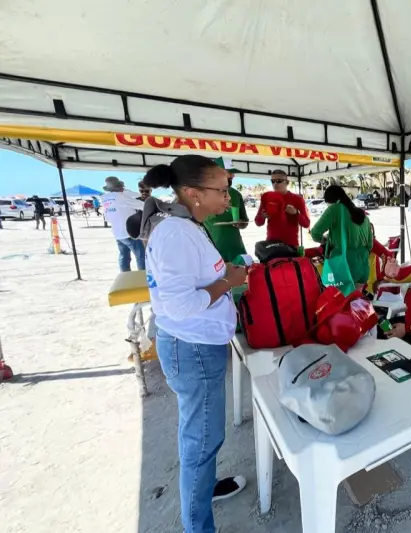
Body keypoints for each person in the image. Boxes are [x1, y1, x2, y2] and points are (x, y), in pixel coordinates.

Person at [138, 154, 248, 533]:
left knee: (201, 436)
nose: (227, 198)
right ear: (191, 193)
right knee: (201, 440)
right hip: (193, 349)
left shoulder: (189, 226)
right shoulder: (176, 233)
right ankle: (198, 526)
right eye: (220, 190)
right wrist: (229, 282)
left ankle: (202, 490)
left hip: (199, 345)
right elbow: (181, 305)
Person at [310, 185, 373, 289]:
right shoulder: (361, 213)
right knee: (356, 302)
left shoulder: (335, 209)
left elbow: (315, 233)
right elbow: (370, 244)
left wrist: (324, 240)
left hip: (344, 264)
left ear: (332, 201)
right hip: (363, 265)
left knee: (341, 303)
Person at [203, 158, 249, 262]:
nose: (233, 176)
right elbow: (199, 218)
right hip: (214, 250)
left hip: (236, 248)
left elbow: (245, 221)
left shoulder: (236, 194)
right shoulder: (204, 193)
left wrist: (241, 223)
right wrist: (219, 209)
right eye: (229, 172)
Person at [101, 177, 146, 272]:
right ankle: (143, 276)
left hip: (117, 233)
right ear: (120, 188)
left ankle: (124, 275)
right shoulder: (121, 197)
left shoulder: (105, 198)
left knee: (124, 256)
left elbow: (107, 218)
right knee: (141, 255)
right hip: (129, 233)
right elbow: (143, 205)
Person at [254, 169, 308, 247]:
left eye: (279, 181)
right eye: (272, 181)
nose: (275, 184)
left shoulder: (297, 199)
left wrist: (296, 213)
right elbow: (258, 222)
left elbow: (306, 224)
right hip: (271, 245)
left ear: (287, 182)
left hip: (291, 245)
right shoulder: (267, 197)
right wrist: (262, 216)